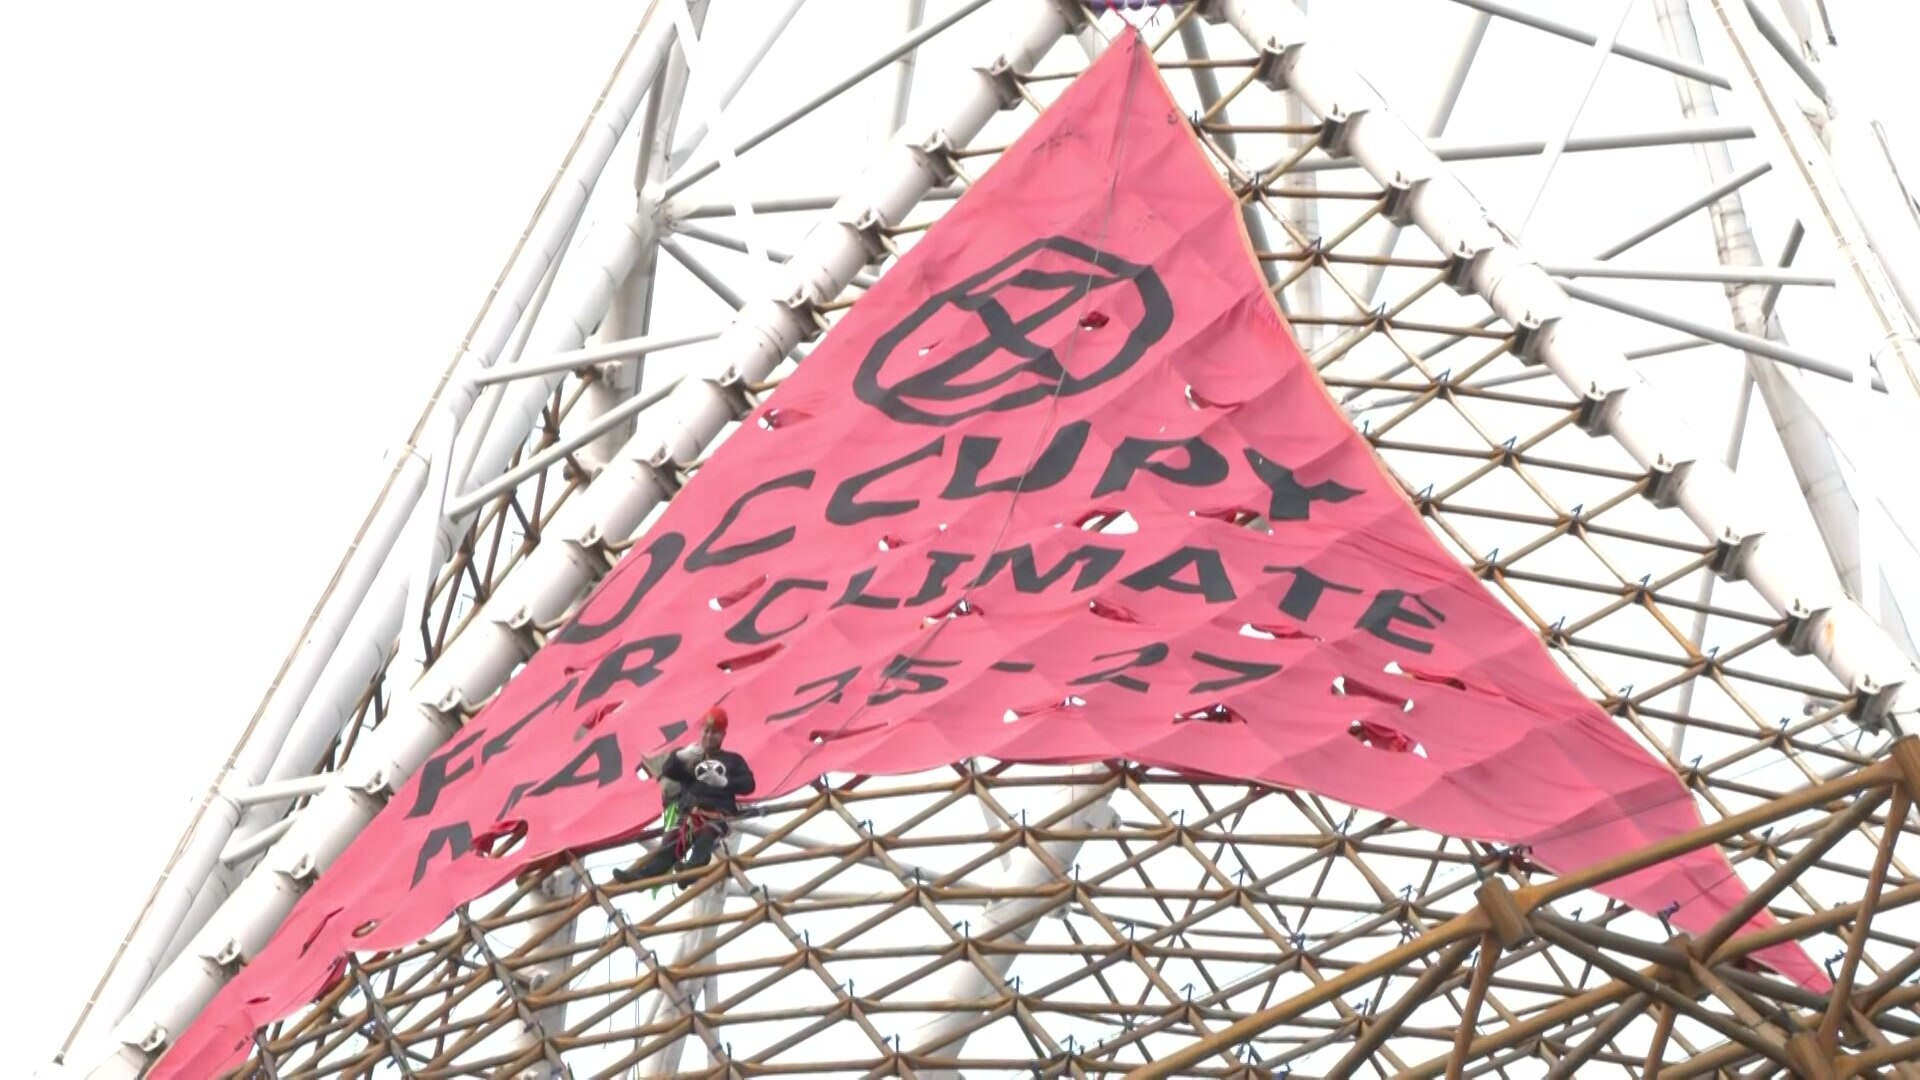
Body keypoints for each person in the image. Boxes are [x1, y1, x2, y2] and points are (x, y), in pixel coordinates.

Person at [612, 706, 756, 886]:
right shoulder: (692, 757)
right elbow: (669, 772)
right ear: (701, 731)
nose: (709, 736)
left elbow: (749, 784)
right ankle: (643, 876)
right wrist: (680, 757)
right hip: (690, 814)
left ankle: (692, 870)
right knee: (671, 844)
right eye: (707, 731)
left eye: (715, 733)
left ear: (722, 736)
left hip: (717, 814)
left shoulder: (732, 760)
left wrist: (724, 782)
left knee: (705, 836)